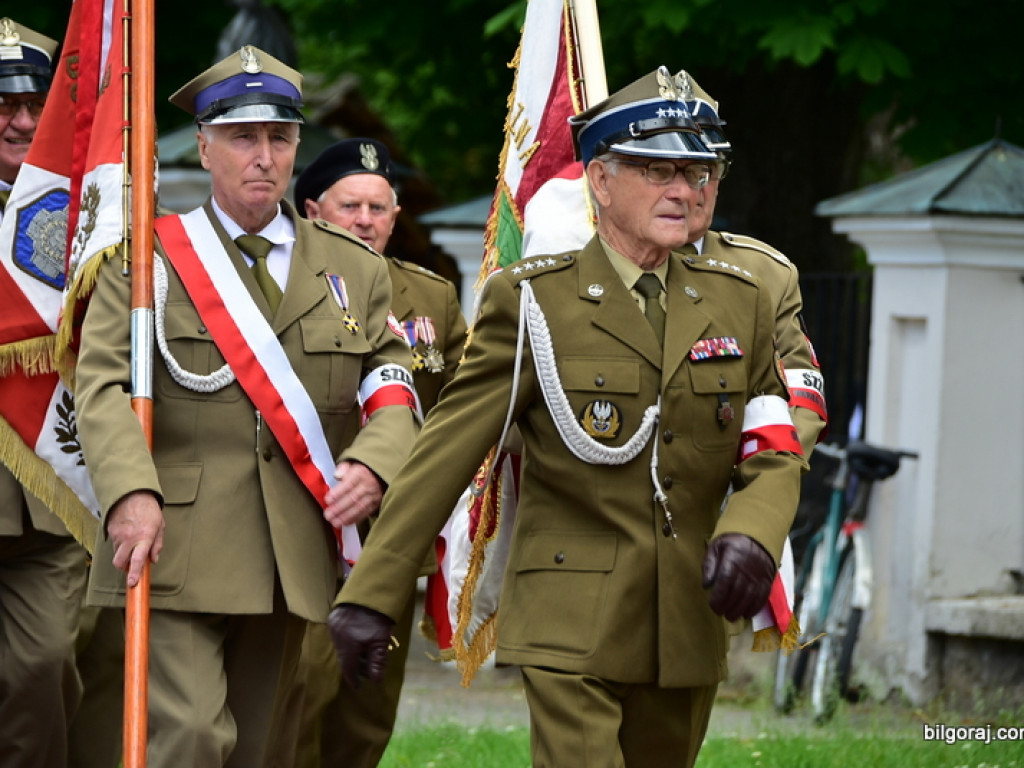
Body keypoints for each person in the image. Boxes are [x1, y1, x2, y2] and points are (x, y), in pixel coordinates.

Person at [327, 66, 807, 768]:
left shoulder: (741, 299)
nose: (685, 190)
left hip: (687, 614)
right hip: (568, 614)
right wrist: (372, 592)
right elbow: (447, 452)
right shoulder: (532, 301)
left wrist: (754, 534)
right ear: (602, 181)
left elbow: (773, 444)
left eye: (701, 171)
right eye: (659, 170)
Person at [74, 45, 420, 767]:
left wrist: (377, 460)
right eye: (242, 136)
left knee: (264, 748)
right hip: (174, 539)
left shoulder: (355, 268)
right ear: (203, 146)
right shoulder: (147, 263)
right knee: (195, 739)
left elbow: (392, 379)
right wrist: (130, 492)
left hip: (292, 549)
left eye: (279, 137)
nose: (264, 155)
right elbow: (101, 385)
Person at [284, 137, 467, 767]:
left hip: (388, 540)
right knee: (299, 699)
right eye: (349, 206)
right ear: (312, 211)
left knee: (366, 713)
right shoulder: (277, 288)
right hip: (304, 527)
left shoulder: (432, 299)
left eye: (379, 208)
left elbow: (460, 403)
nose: (365, 221)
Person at [0, 19, 90, 768]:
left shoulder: (88, 215)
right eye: (2, 103)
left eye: (35, 105)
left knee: (41, 668)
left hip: (46, 497)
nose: (23, 121)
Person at [680, 71, 827, 454]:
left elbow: (802, 401)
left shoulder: (766, 274)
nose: (689, 190)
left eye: (705, 172)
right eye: (667, 171)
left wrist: (752, 484)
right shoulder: (592, 265)